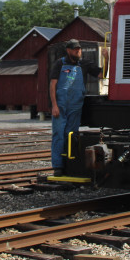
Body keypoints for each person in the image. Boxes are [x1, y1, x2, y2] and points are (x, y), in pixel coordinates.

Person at [49, 39, 103, 174]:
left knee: (71, 135)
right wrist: (54, 105)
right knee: (59, 134)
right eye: (75, 49)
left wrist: (106, 59)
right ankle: (58, 166)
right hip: (60, 105)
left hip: (76, 106)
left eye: (79, 49)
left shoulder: (85, 64)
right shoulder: (59, 63)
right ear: (68, 50)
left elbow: (102, 74)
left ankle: (70, 163)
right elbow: (52, 85)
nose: (78, 51)